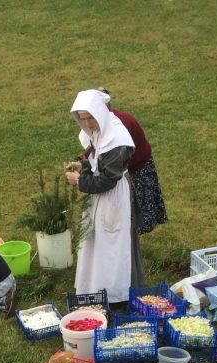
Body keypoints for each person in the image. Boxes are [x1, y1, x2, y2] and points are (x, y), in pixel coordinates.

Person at [65, 90, 146, 305]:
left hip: (114, 200)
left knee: (113, 246)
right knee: (97, 243)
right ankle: (95, 288)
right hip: (102, 199)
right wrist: (83, 165)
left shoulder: (117, 140)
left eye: (90, 118)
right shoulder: (102, 131)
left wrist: (80, 181)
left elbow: (109, 179)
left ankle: (116, 294)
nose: (87, 123)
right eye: (83, 119)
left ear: (100, 113)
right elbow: (100, 160)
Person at [85, 90, 168, 235]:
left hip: (137, 168)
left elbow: (111, 158)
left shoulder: (121, 126)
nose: (87, 122)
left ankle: (132, 240)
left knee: (135, 210)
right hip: (124, 168)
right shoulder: (102, 123)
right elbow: (96, 145)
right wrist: (84, 160)